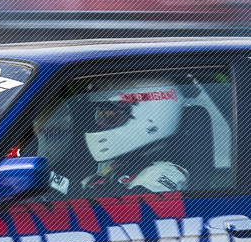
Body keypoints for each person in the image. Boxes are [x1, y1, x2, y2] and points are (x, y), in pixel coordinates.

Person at [29, 75, 191, 196]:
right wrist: (46, 178)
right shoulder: (112, 165)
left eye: (110, 116)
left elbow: (123, 212)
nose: (99, 123)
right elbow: (76, 192)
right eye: (99, 115)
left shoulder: (167, 172)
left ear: (150, 121)